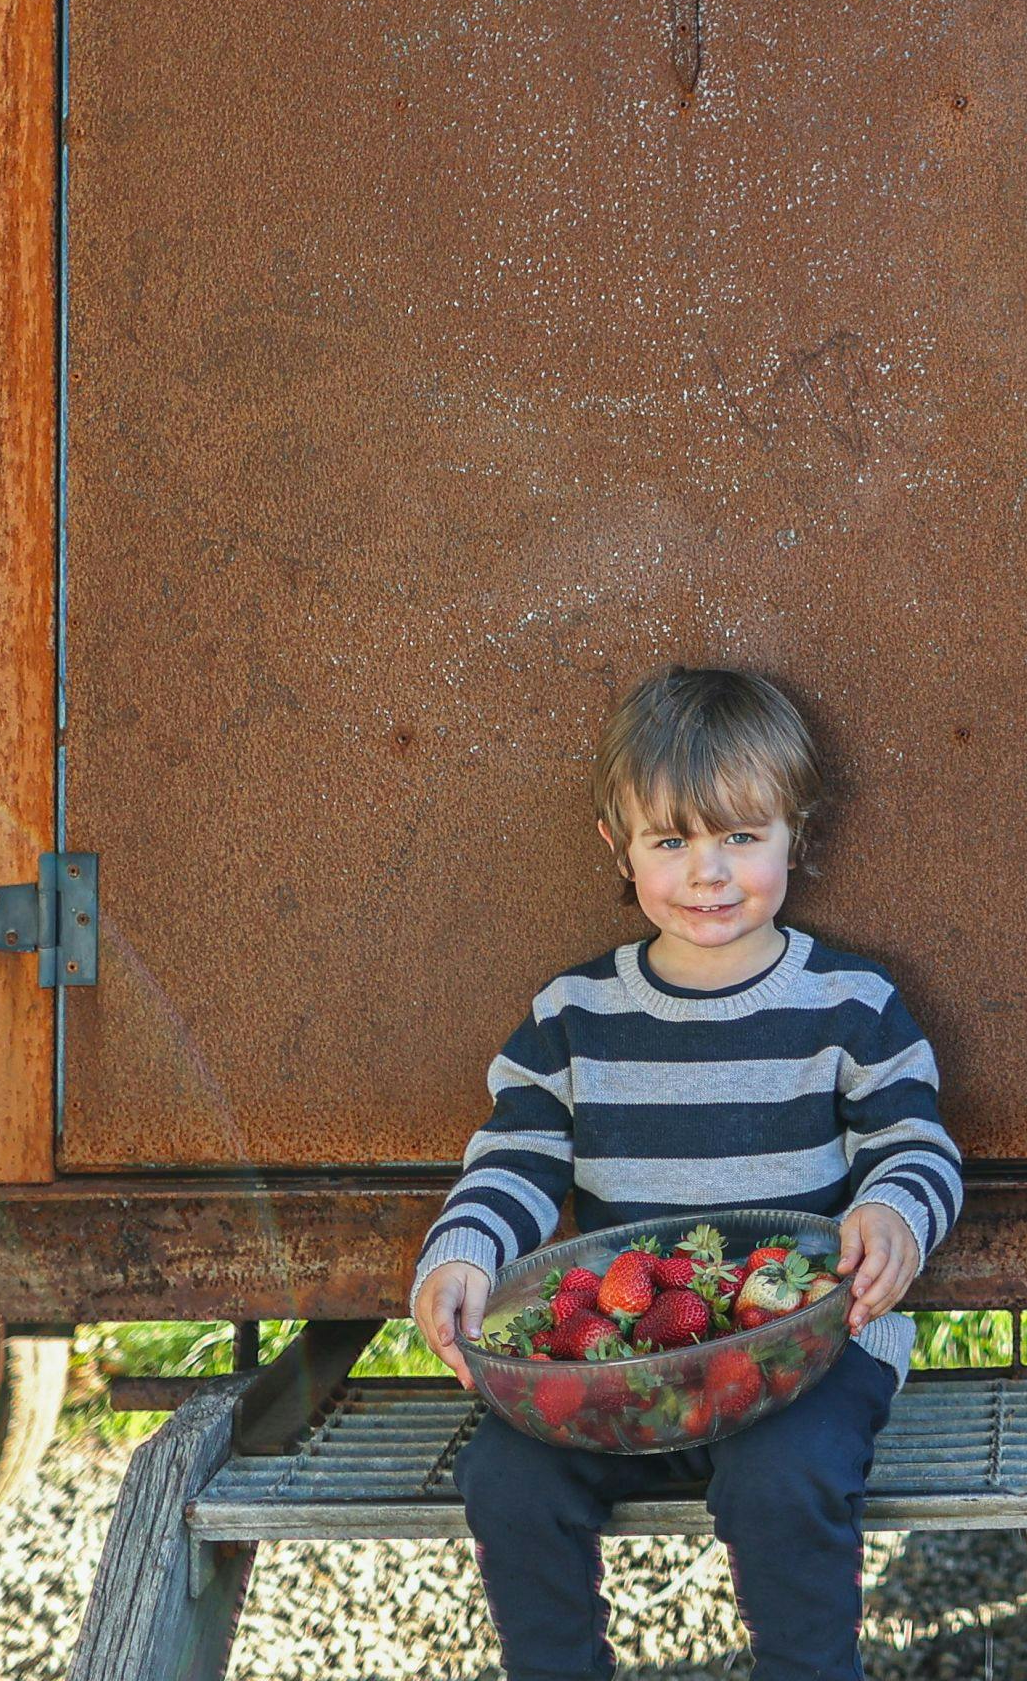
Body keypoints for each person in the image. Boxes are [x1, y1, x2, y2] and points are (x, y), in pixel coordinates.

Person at [411, 664, 964, 1681]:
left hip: (806, 1351)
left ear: (796, 831)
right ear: (617, 848)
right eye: (673, 842)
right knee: (506, 1477)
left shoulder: (849, 1002)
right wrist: (464, 1255)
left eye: (741, 838)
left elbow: (913, 1141)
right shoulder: (574, 1017)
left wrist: (892, 1213)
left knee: (783, 1485)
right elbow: (518, 1157)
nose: (710, 874)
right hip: (623, 1358)